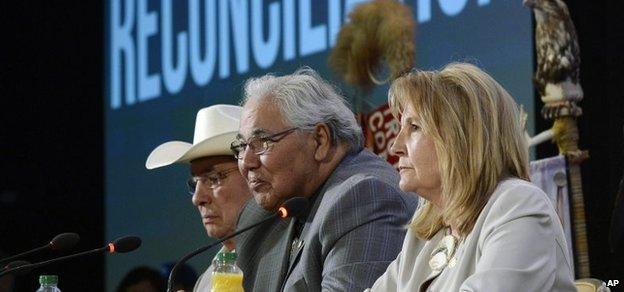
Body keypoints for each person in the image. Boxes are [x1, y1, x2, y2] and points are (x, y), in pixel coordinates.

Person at [367, 62, 576, 291]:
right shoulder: (425, 232)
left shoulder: (518, 205)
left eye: (414, 127)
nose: (396, 146)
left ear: (460, 138)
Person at [231, 67, 418, 291]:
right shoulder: (259, 217)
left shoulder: (364, 197)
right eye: (242, 146)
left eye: (263, 142)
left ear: (319, 140)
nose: (247, 162)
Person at [146, 104, 252, 291]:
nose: (197, 199)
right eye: (195, 184)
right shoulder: (205, 282)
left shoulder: (285, 254)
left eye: (213, 178)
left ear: (252, 173)